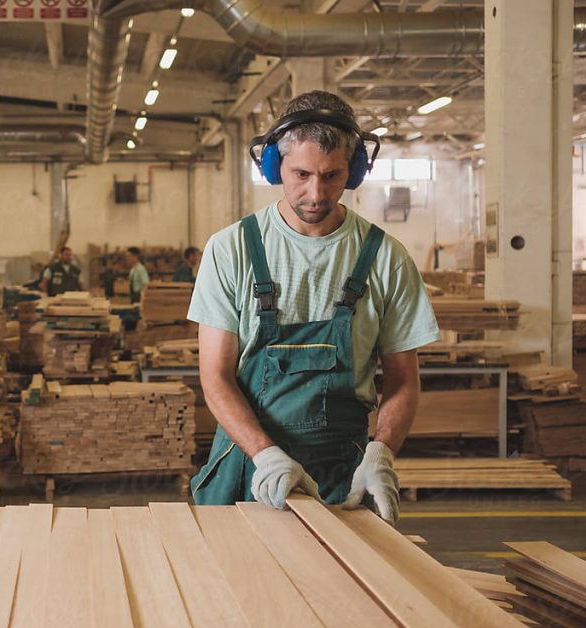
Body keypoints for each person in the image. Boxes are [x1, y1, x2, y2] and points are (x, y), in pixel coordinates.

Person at [186, 90, 440, 525]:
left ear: (355, 171)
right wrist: (267, 456)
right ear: (273, 166)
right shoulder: (231, 250)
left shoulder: (385, 257)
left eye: (332, 175)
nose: (316, 192)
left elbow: (403, 381)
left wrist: (381, 453)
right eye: (301, 173)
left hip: (345, 473)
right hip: (249, 465)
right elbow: (214, 376)